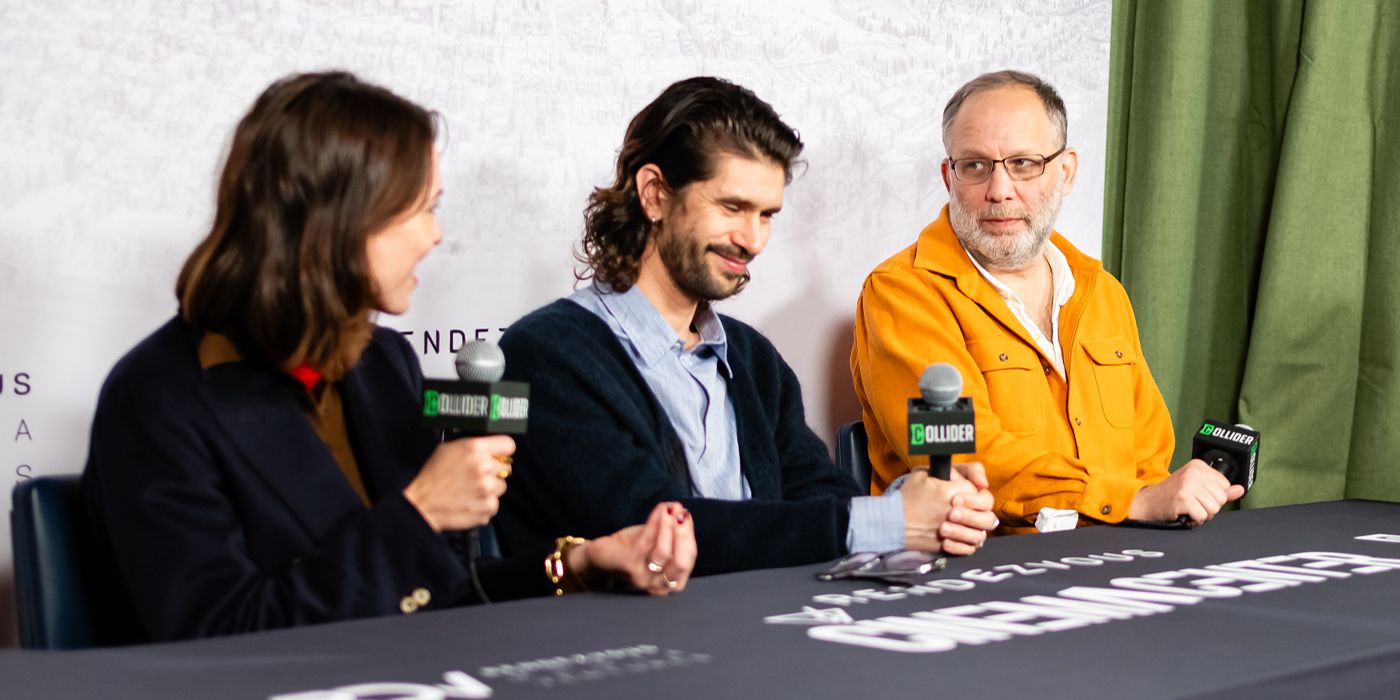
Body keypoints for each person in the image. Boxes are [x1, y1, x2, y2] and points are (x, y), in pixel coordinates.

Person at [81, 71, 695, 643]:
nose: (435, 235)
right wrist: (421, 510)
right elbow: (216, 640)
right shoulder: (157, 397)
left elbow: (439, 595)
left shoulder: (378, 362)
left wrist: (579, 563)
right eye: (422, 208)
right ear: (339, 221)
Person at [494, 77, 997, 576]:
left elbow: (818, 499)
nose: (752, 239)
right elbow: (652, 533)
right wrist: (887, 521)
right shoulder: (546, 355)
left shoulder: (751, 356)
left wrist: (915, 505)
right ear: (654, 195)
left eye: (767, 215)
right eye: (731, 207)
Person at [851, 70, 1244, 534]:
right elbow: (964, 458)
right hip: (981, 569)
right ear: (948, 177)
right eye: (975, 165)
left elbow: (1148, 457)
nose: (999, 190)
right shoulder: (903, 294)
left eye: (1023, 163)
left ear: (1066, 171)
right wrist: (1129, 501)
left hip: (1122, 555)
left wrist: (1162, 499)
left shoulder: (1102, 292)